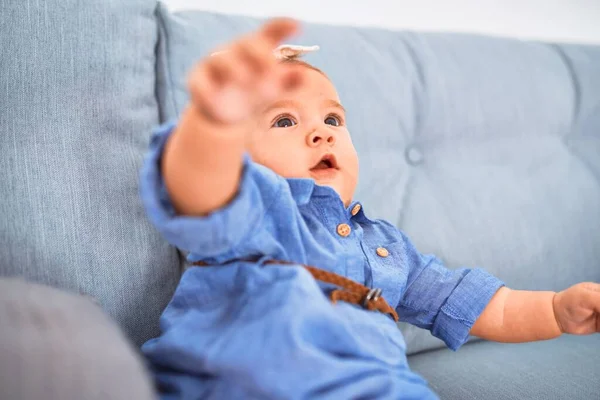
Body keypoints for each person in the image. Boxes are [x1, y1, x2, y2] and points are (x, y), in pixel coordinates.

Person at [139, 18, 600, 399]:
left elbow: (480, 307)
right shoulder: (256, 207)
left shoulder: (388, 249)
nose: (322, 134)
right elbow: (197, 185)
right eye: (284, 120)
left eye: (333, 119)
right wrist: (212, 124)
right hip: (230, 379)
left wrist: (556, 310)